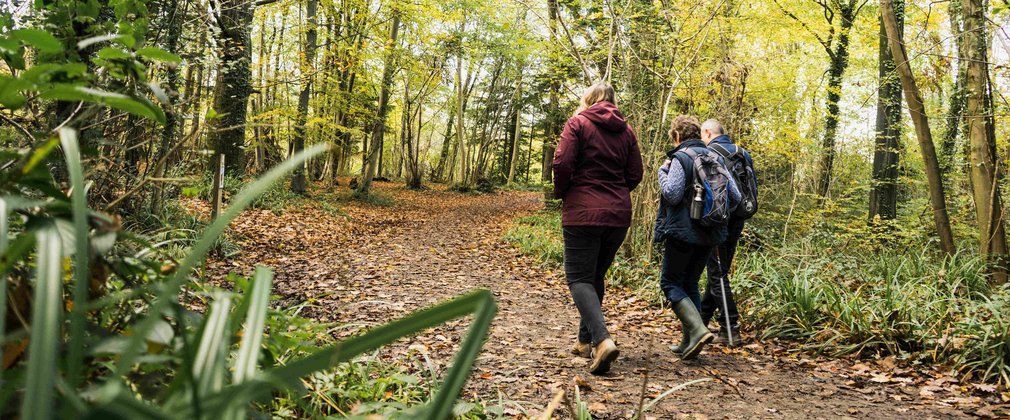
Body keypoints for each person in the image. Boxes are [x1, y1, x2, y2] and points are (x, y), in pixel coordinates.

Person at [553, 82, 644, 375]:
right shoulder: (627, 131)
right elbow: (635, 174)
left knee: (579, 278)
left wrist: (565, 191)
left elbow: (562, 163)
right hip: (617, 215)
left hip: (583, 212)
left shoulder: (578, 123)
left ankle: (603, 341)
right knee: (594, 277)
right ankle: (584, 341)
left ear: (588, 99)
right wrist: (615, 193)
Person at [654, 115, 740, 360]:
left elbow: (671, 193)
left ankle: (698, 329)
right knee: (690, 283)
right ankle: (689, 342)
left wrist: (663, 171)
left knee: (670, 283)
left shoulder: (680, 158)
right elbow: (733, 196)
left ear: (678, 137)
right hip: (710, 233)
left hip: (683, 232)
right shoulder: (716, 158)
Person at [699, 119, 755, 347]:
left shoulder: (709, 153)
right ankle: (701, 323)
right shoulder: (743, 153)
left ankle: (730, 328)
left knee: (717, 274)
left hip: (718, 221)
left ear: (708, 132)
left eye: (703, 134)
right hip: (739, 218)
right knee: (718, 272)